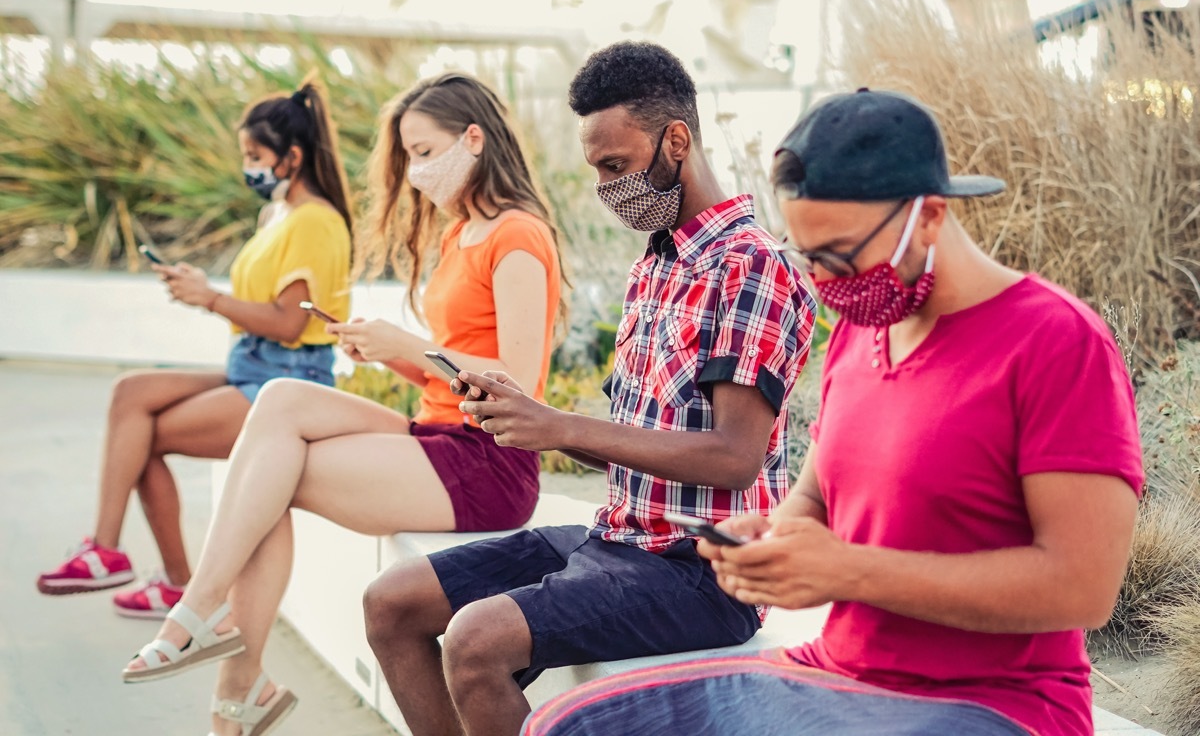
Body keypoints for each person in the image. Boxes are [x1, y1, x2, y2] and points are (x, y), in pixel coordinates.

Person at [521, 89, 1144, 736]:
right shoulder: (863, 329)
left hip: (991, 703)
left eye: (839, 255)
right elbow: (814, 501)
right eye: (808, 255)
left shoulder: (1056, 341)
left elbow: (1083, 587)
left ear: (928, 215)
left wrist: (848, 571)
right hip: (836, 672)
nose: (823, 282)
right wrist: (767, 545)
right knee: (571, 723)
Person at [362, 41, 816, 736]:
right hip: (617, 539)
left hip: (704, 572)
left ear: (676, 140)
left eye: (618, 166)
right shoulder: (654, 268)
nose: (608, 189)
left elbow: (733, 457)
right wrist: (530, 421)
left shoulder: (751, 267)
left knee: (477, 641)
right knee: (392, 602)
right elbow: (637, 439)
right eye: (597, 171)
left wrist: (561, 427)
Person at [117, 72, 566, 736]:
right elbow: (448, 378)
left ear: (474, 139)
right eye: (408, 156)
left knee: (275, 472)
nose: (415, 172)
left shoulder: (517, 234)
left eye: (424, 151)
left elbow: (518, 385)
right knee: (282, 402)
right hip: (441, 433)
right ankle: (229, 663)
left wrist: (408, 340)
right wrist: (388, 354)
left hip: (490, 464)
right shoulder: (458, 235)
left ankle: (215, 640)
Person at [36, 74, 354, 619]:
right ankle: (106, 549)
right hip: (251, 365)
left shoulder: (317, 224)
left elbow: (285, 323)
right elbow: (263, 306)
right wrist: (202, 289)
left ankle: (176, 584)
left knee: (146, 437)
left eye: (255, 154)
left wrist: (208, 299)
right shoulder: (275, 216)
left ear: (292, 157)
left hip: (290, 379)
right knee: (131, 394)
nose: (248, 165)